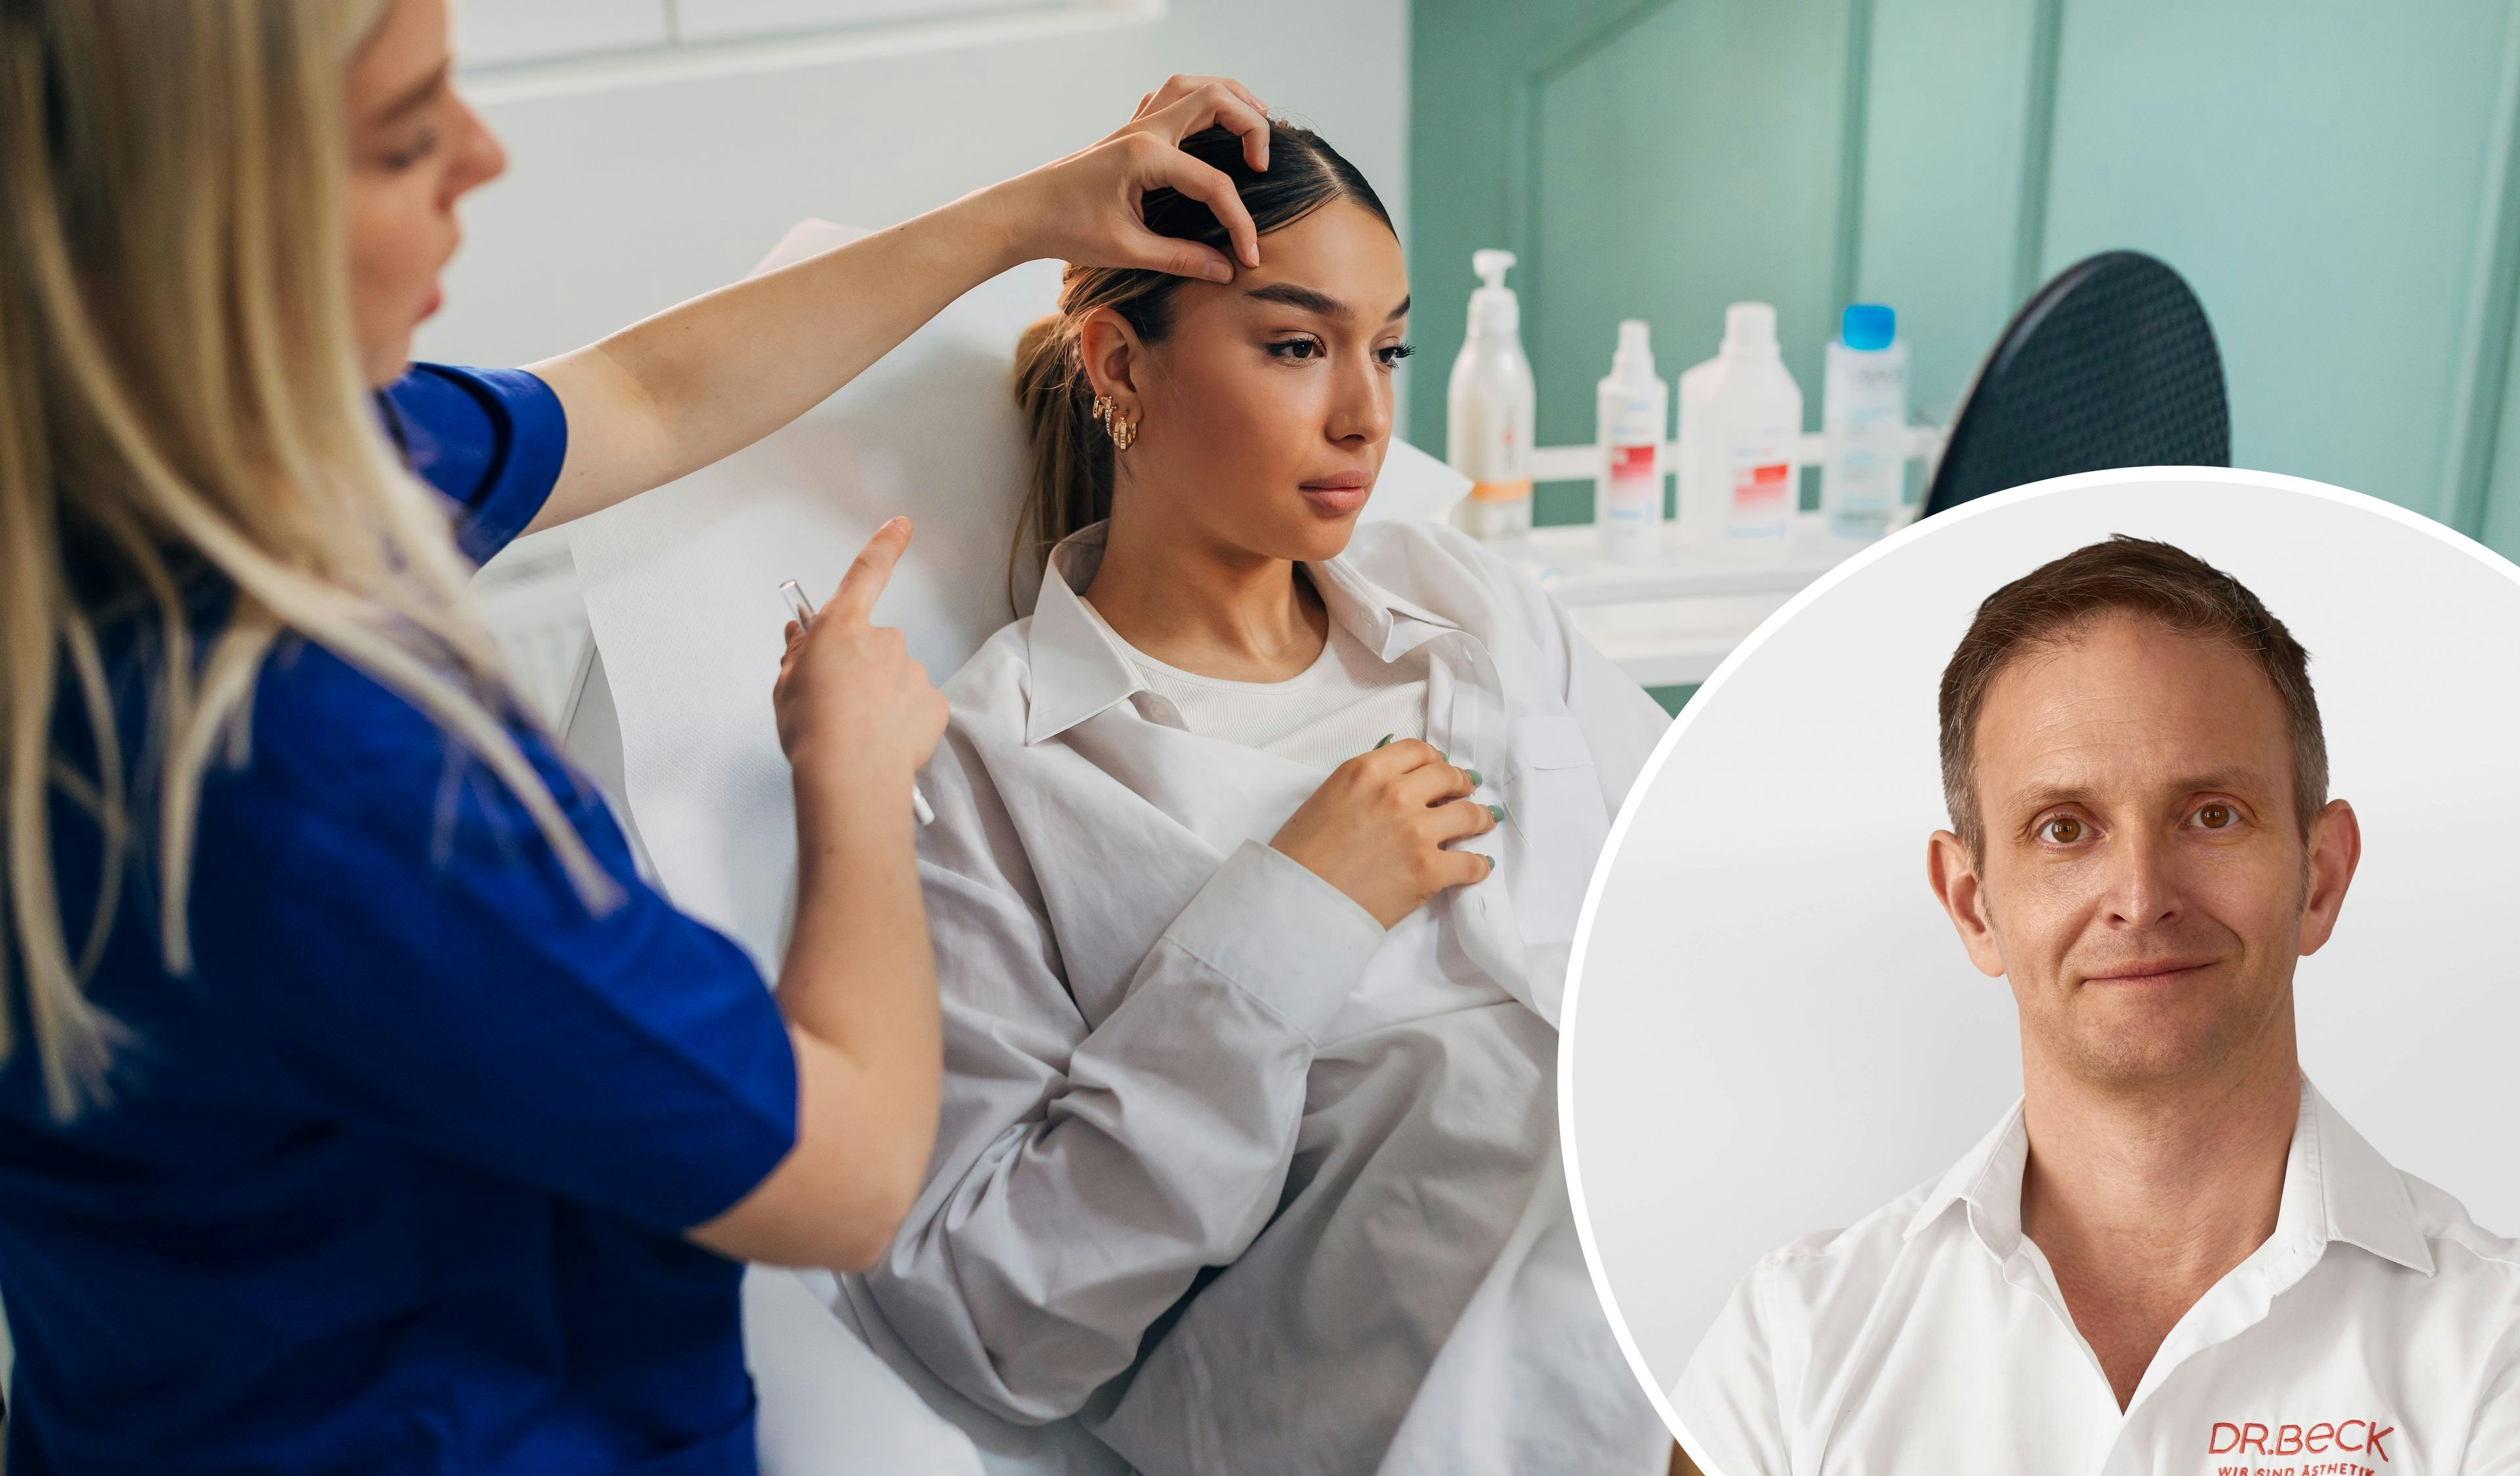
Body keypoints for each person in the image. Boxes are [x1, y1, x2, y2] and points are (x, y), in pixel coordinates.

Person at [0, 0, 1282, 1470]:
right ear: (201, 222)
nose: (481, 157)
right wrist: (858, 783)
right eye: (406, 137)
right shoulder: (320, 782)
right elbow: (852, 1169)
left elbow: (641, 395)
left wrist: (1027, 212)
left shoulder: (212, 469)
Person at [845, 121, 1674, 1474]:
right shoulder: (1000, 765)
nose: (1363, 414)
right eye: (1297, 346)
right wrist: (1290, 916)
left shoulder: (1475, 609)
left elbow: (1692, 903)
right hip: (1454, 1350)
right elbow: (996, 1318)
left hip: (1714, 1215)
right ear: (1121, 368)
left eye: (1385, 349)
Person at [1669, 537, 2520, 1475]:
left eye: (2212, 813)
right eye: (2064, 828)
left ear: (2321, 876)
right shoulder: (1785, 1346)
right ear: (1974, 906)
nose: (2140, 891)